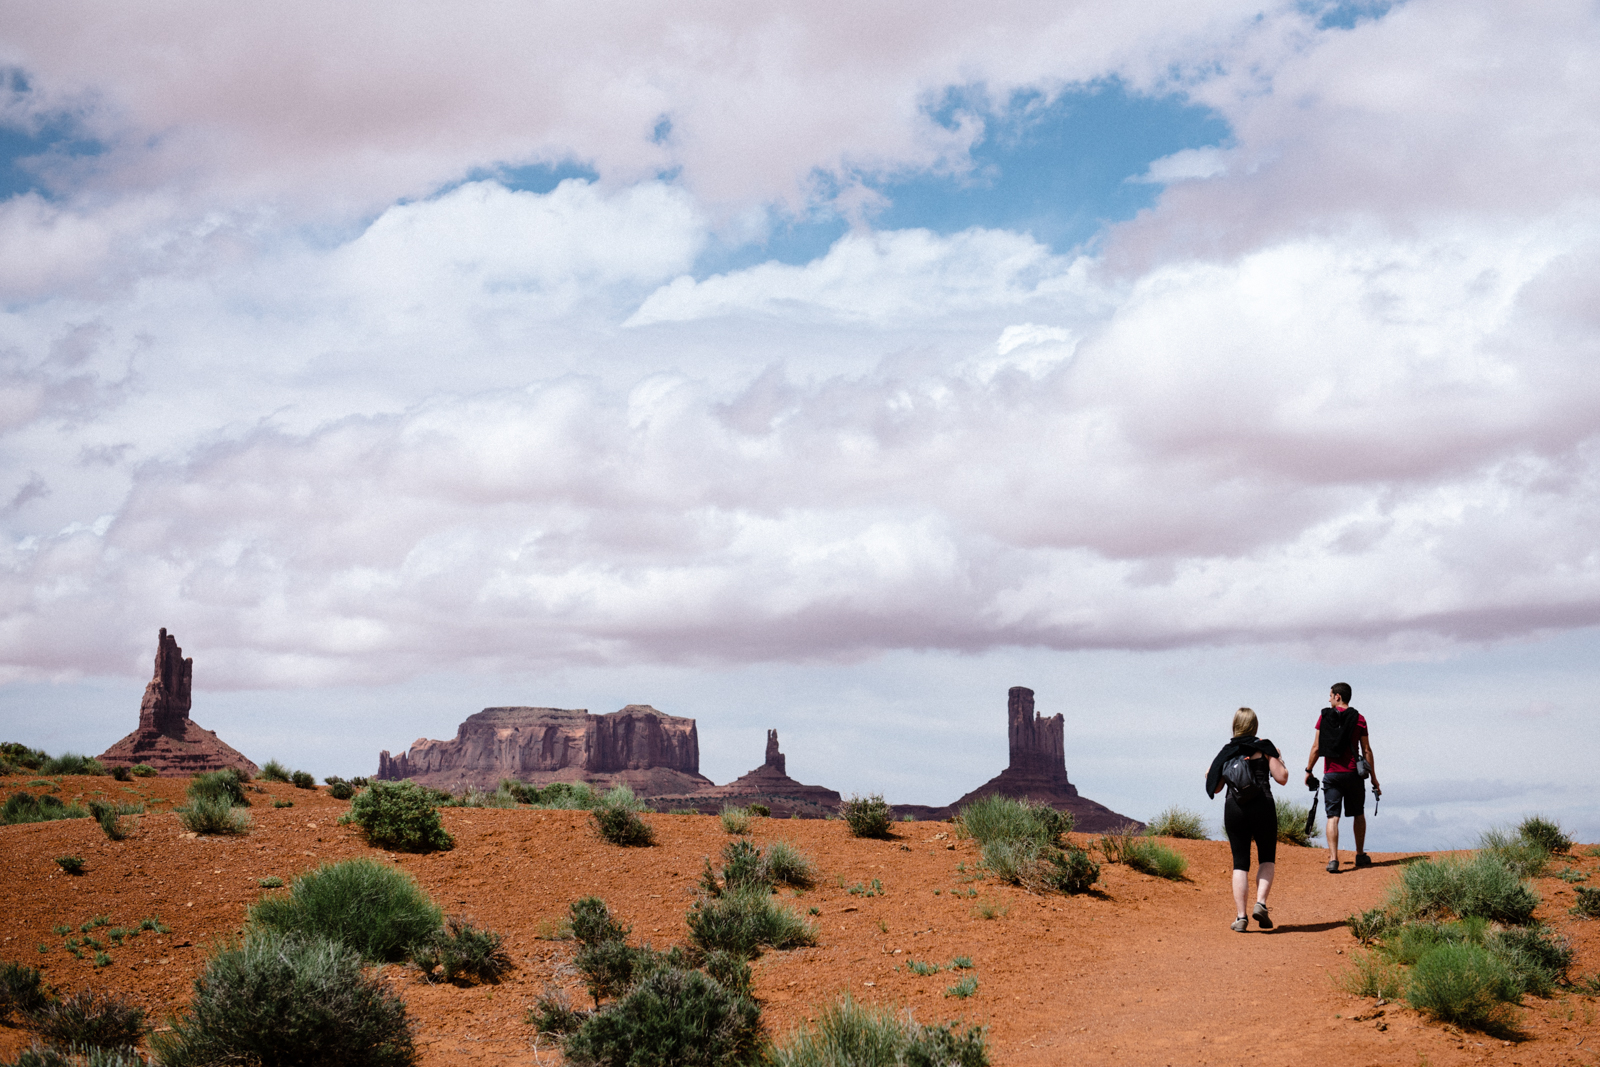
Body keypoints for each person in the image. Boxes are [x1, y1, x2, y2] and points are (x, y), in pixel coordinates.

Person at [1206, 707, 1288, 932]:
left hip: (1235, 807)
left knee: (1240, 863)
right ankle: (1260, 904)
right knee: (1266, 858)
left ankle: (1241, 918)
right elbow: (1282, 778)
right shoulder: (1265, 746)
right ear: (1255, 726)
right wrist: (1279, 758)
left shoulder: (1228, 751)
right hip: (1262, 805)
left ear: (1235, 725)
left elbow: (1215, 783)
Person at [1304, 682, 1381, 873]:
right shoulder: (1360, 719)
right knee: (1358, 813)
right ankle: (1360, 855)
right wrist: (1373, 778)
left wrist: (1308, 770)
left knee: (1333, 817)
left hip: (1332, 774)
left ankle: (1333, 859)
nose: (1328, 699)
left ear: (1338, 696)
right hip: (1353, 773)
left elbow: (1316, 747)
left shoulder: (1323, 718)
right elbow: (1366, 750)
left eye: (1330, 695)